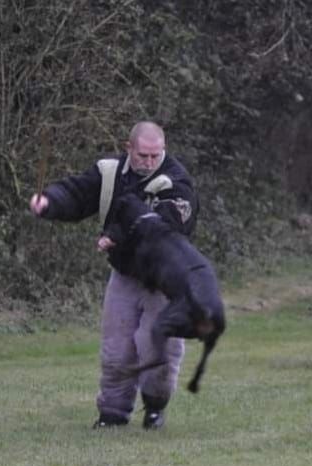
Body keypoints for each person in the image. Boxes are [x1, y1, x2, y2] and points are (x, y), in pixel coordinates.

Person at [29, 121, 199, 429]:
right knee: (116, 351)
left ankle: (155, 408)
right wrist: (50, 202)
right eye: (143, 156)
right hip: (124, 275)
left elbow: (163, 223)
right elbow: (77, 192)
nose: (149, 162)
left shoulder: (176, 180)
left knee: (156, 348)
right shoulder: (108, 172)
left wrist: (118, 235)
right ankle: (112, 415)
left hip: (165, 279)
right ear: (128, 149)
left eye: (155, 155)